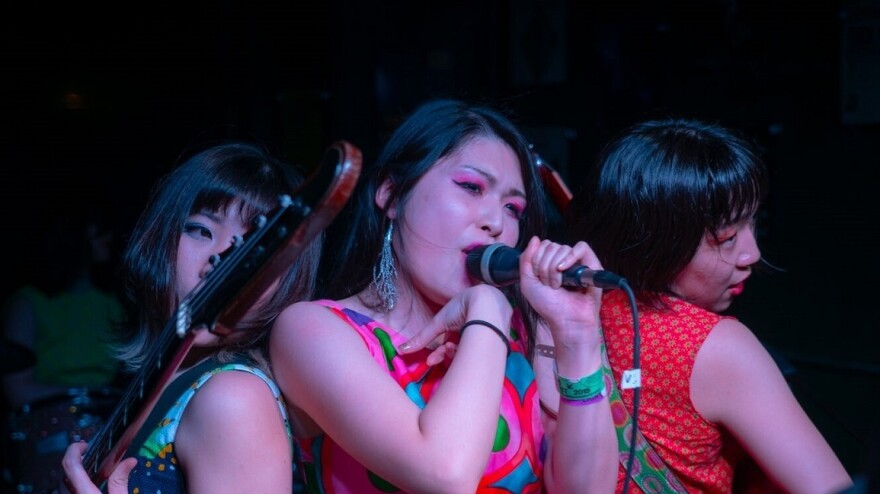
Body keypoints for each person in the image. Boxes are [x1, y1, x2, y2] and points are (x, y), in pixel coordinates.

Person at [269, 98, 618, 493]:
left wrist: (577, 338)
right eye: (471, 187)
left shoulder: (520, 332)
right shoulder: (312, 330)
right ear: (392, 195)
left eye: (513, 208)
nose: (495, 223)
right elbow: (445, 476)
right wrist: (487, 306)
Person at [566, 117, 854, 493]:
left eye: (754, 224)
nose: (752, 254)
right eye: (728, 236)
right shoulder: (716, 346)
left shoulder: (566, 312)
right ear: (657, 239)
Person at [60, 141, 323, 493]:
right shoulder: (161, 382)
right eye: (201, 230)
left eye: (254, 246)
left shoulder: (234, 398)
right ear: (159, 239)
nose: (221, 260)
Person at [2, 198, 124, 493]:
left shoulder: (114, 305)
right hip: (48, 432)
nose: (110, 237)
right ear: (76, 237)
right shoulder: (29, 302)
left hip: (113, 427)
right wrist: (84, 397)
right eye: (99, 230)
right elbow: (16, 390)